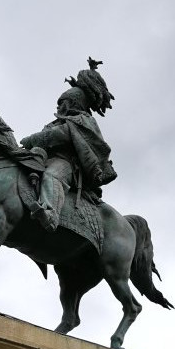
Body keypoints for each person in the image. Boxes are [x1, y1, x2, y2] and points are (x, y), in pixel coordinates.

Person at [20, 58, 117, 231]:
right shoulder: (55, 122)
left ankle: (50, 214)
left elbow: (60, 136)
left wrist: (32, 138)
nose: (60, 107)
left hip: (66, 163)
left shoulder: (82, 120)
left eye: (64, 103)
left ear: (75, 103)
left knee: (52, 176)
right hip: (42, 157)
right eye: (59, 103)